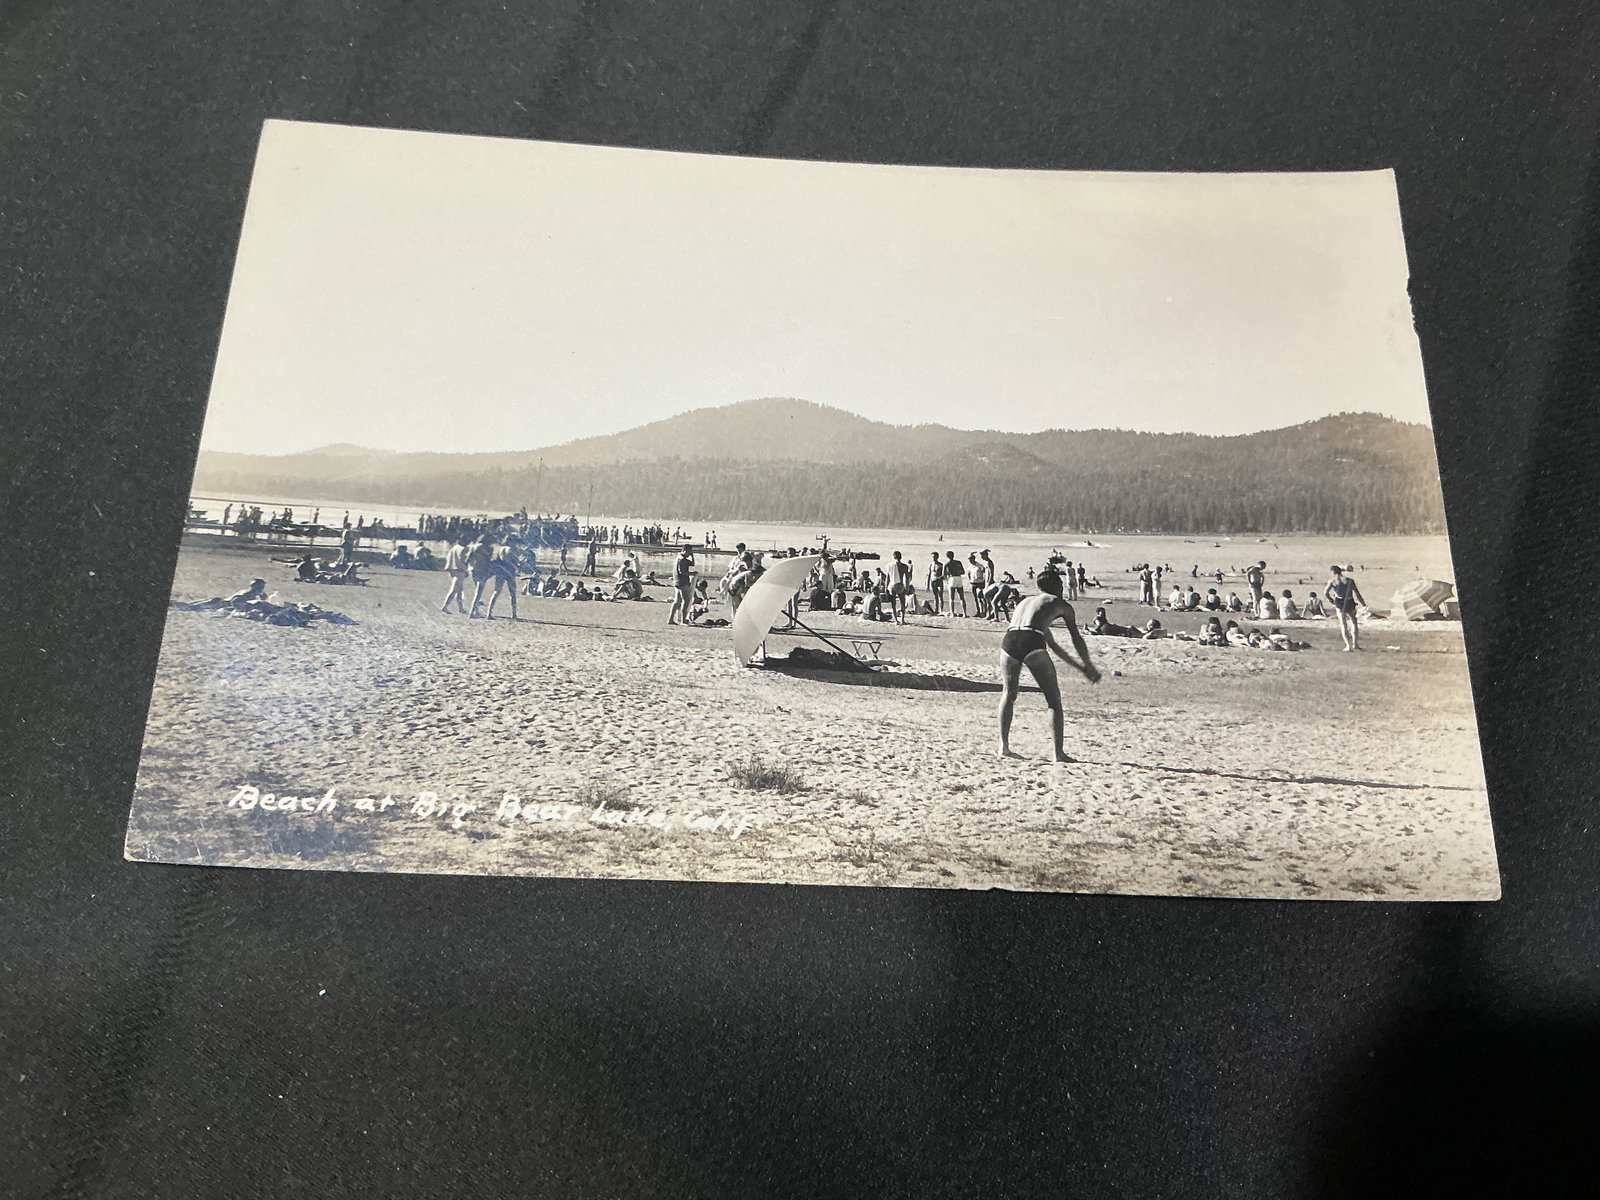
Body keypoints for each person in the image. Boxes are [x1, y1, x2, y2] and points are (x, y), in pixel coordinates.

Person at [997, 570, 1101, 762]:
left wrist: (1081, 668)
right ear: (1056, 586)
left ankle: (1003, 747)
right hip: (1031, 639)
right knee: (1053, 699)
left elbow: (1053, 645)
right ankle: (1057, 753)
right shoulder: (1060, 604)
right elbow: (1076, 638)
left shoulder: (1025, 602)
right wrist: (1088, 664)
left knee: (1008, 694)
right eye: (1060, 585)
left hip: (1009, 640)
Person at [1325, 565, 1367, 651]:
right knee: (1354, 622)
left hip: (1339, 601)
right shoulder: (1349, 581)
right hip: (1349, 601)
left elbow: (1326, 593)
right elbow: (1357, 594)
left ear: (1333, 572)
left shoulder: (1332, 581)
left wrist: (1331, 601)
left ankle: (1348, 646)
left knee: (1343, 624)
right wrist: (1363, 604)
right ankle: (1355, 644)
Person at [486, 540, 519, 619]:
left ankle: (489, 612)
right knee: (512, 593)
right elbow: (510, 561)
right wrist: (516, 565)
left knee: (496, 592)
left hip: (500, 572)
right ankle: (514, 614)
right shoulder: (510, 549)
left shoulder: (499, 549)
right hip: (509, 572)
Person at [465, 535, 496, 617]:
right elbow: (488, 560)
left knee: (477, 591)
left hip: (473, 569)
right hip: (482, 570)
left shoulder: (474, 547)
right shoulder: (488, 549)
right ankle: (472, 612)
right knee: (478, 592)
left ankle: (475, 611)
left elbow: (467, 558)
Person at [440, 537, 469, 614]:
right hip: (459, 570)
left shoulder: (453, 548)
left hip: (452, 570)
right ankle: (445, 606)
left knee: (459, 590)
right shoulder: (463, 549)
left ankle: (460, 608)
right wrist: (466, 569)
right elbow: (463, 560)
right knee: (454, 590)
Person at [668, 546, 695, 625]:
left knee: (677, 601)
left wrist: (692, 555)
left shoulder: (678, 558)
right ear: (685, 551)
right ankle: (683, 620)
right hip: (682, 582)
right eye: (689, 552)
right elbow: (682, 572)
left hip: (677, 581)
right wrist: (692, 574)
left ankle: (671, 619)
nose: (689, 554)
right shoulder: (682, 560)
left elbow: (692, 564)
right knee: (685, 601)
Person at [889, 550, 913, 623]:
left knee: (893, 603)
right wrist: (907, 587)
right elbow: (907, 578)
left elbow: (887, 577)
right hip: (900, 584)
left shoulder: (890, 565)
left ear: (894, 557)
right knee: (902, 602)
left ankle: (896, 620)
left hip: (892, 584)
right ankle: (902, 620)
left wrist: (886, 586)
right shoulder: (904, 566)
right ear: (901, 557)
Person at [943, 550, 968, 616]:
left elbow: (944, 575)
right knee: (961, 597)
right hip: (959, 578)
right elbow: (963, 572)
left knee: (951, 598)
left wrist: (947, 579)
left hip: (952, 578)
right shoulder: (958, 562)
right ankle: (965, 613)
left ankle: (952, 613)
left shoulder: (947, 564)